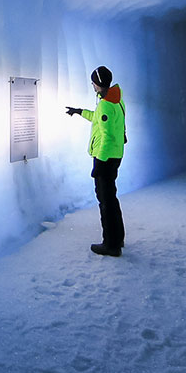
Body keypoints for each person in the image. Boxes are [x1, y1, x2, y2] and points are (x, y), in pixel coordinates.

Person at [64, 65, 126, 256]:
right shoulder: (115, 99)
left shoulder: (106, 104)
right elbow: (100, 120)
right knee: (111, 199)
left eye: (93, 82)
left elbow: (106, 136)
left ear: (98, 84)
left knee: (105, 201)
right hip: (114, 155)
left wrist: (99, 162)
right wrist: (80, 111)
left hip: (106, 158)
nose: (92, 85)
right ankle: (118, 238)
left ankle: (111, 244)